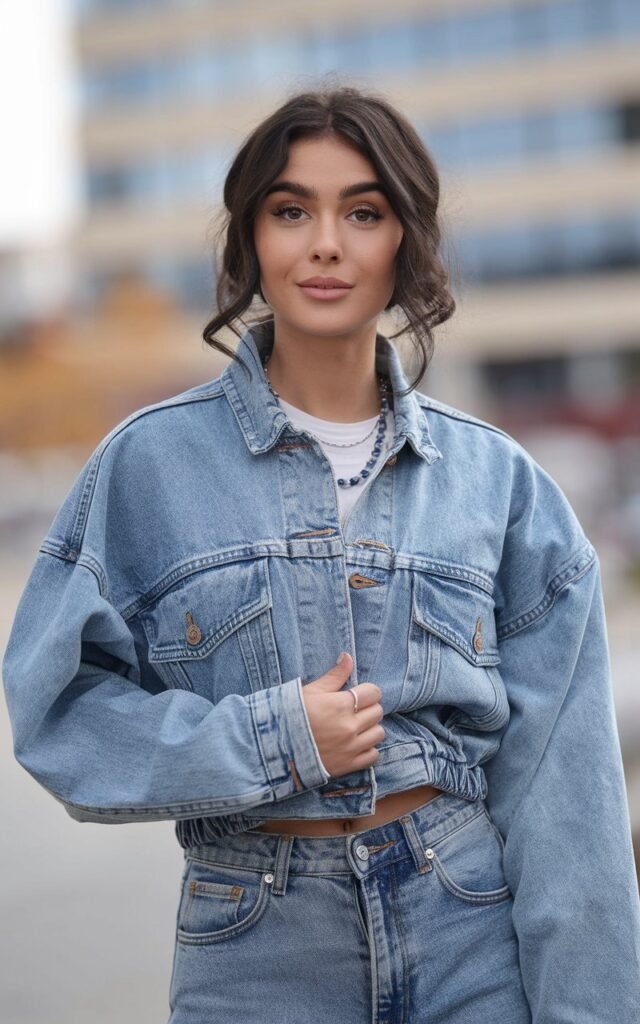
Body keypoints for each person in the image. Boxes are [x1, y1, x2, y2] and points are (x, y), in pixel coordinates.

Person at [3, 84, 639, 1023]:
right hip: (256, 944)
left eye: (365, 211)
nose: (326, 243)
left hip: (469, 925)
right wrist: (271, 740)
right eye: (291, 209)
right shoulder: (147, 466)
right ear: (252, 239)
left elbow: (567, 803)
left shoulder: (500, 484)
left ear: (404, 242)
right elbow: (59, 715)